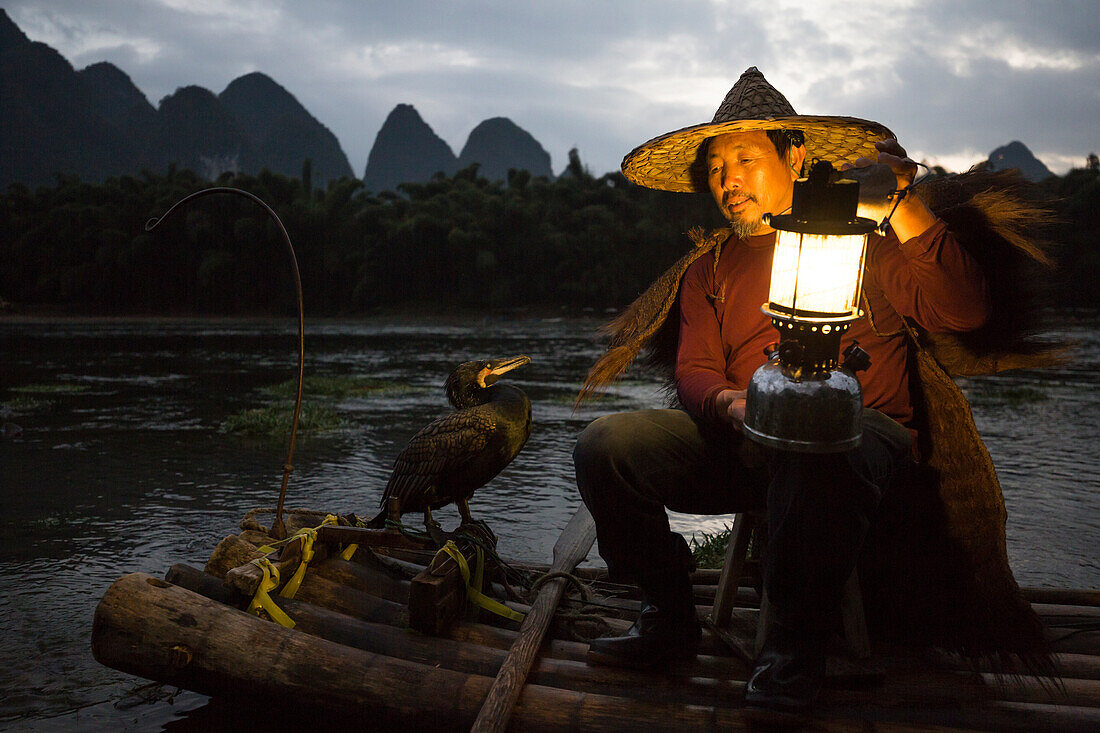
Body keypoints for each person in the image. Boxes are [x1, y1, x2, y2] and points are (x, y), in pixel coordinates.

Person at [572, 67, 993, 713]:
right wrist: (728, 403)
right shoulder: (709, 269)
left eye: (743, 157)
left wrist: (904, 204)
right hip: (748, 435)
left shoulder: (867, 239)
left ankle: (792, 655)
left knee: (819, 437)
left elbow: (963, 310)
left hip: (860, 441)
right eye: (715, 167)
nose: (727, 180)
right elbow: (695, 370)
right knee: (608, 443)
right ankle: (667, 611)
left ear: (795, 156)